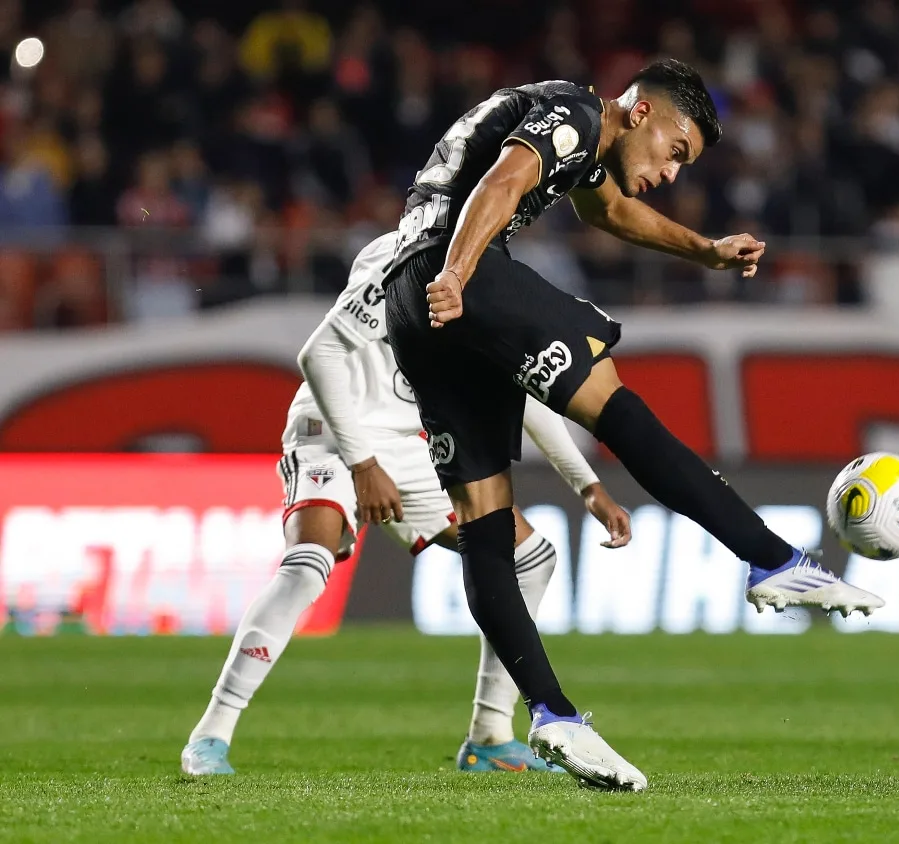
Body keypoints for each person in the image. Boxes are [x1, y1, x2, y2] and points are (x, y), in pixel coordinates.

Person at [382, 59, 885, 792]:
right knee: (615, 404)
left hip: (407, 298)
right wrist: (459, 275)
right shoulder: (578, 116)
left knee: (484, 521)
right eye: (677, 152)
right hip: (456, 269)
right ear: (642, 113)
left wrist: (705, 249)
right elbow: (502, 184)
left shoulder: (582, 139)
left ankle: (552, 715)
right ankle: (773, 559)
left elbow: (610, 212)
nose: (673, 173)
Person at [180, 232, 632, 777]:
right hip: (332, 425)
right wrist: (364, 465)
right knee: (307, 566)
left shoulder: (490, 273)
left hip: (406, 444)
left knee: (530, 557)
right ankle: (210, 737)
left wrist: (587, 485)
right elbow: (318, 355)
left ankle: (489, 736)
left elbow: (522, 391)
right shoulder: (400, 256)